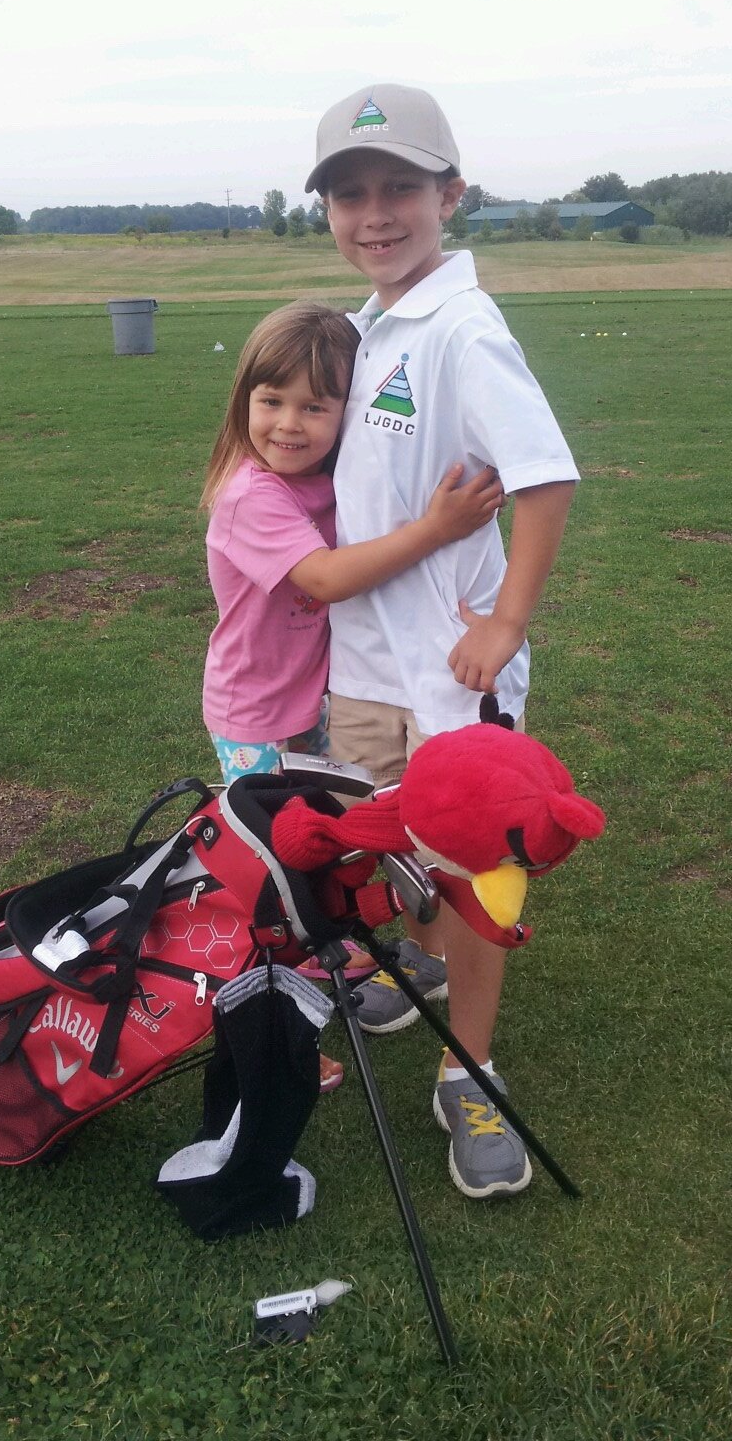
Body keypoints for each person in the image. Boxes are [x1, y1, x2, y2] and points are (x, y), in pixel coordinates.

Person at [305, 84, 579, 1197]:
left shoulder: (463, 327)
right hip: (368, 665)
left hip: (454, 673)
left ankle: (471, 1069)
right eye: (350, 194)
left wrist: (506, 621)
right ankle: (410, 959)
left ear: (449, 195)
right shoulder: (369, 326)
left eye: (400, 189)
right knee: (390, 840)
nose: (375, 214)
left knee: (473, 865)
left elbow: (546, 476)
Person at [201, 300, 505, 1093]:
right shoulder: (252, 496)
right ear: (243, 403)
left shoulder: (324, 481)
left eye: (315, 406)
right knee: (275, 877)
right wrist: (439, 528)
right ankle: (276, 1024)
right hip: (256, 717)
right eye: (271, 401)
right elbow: (328, 578)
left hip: (312, 705)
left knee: (322, 856)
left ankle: (336, 977)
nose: (289, 424)